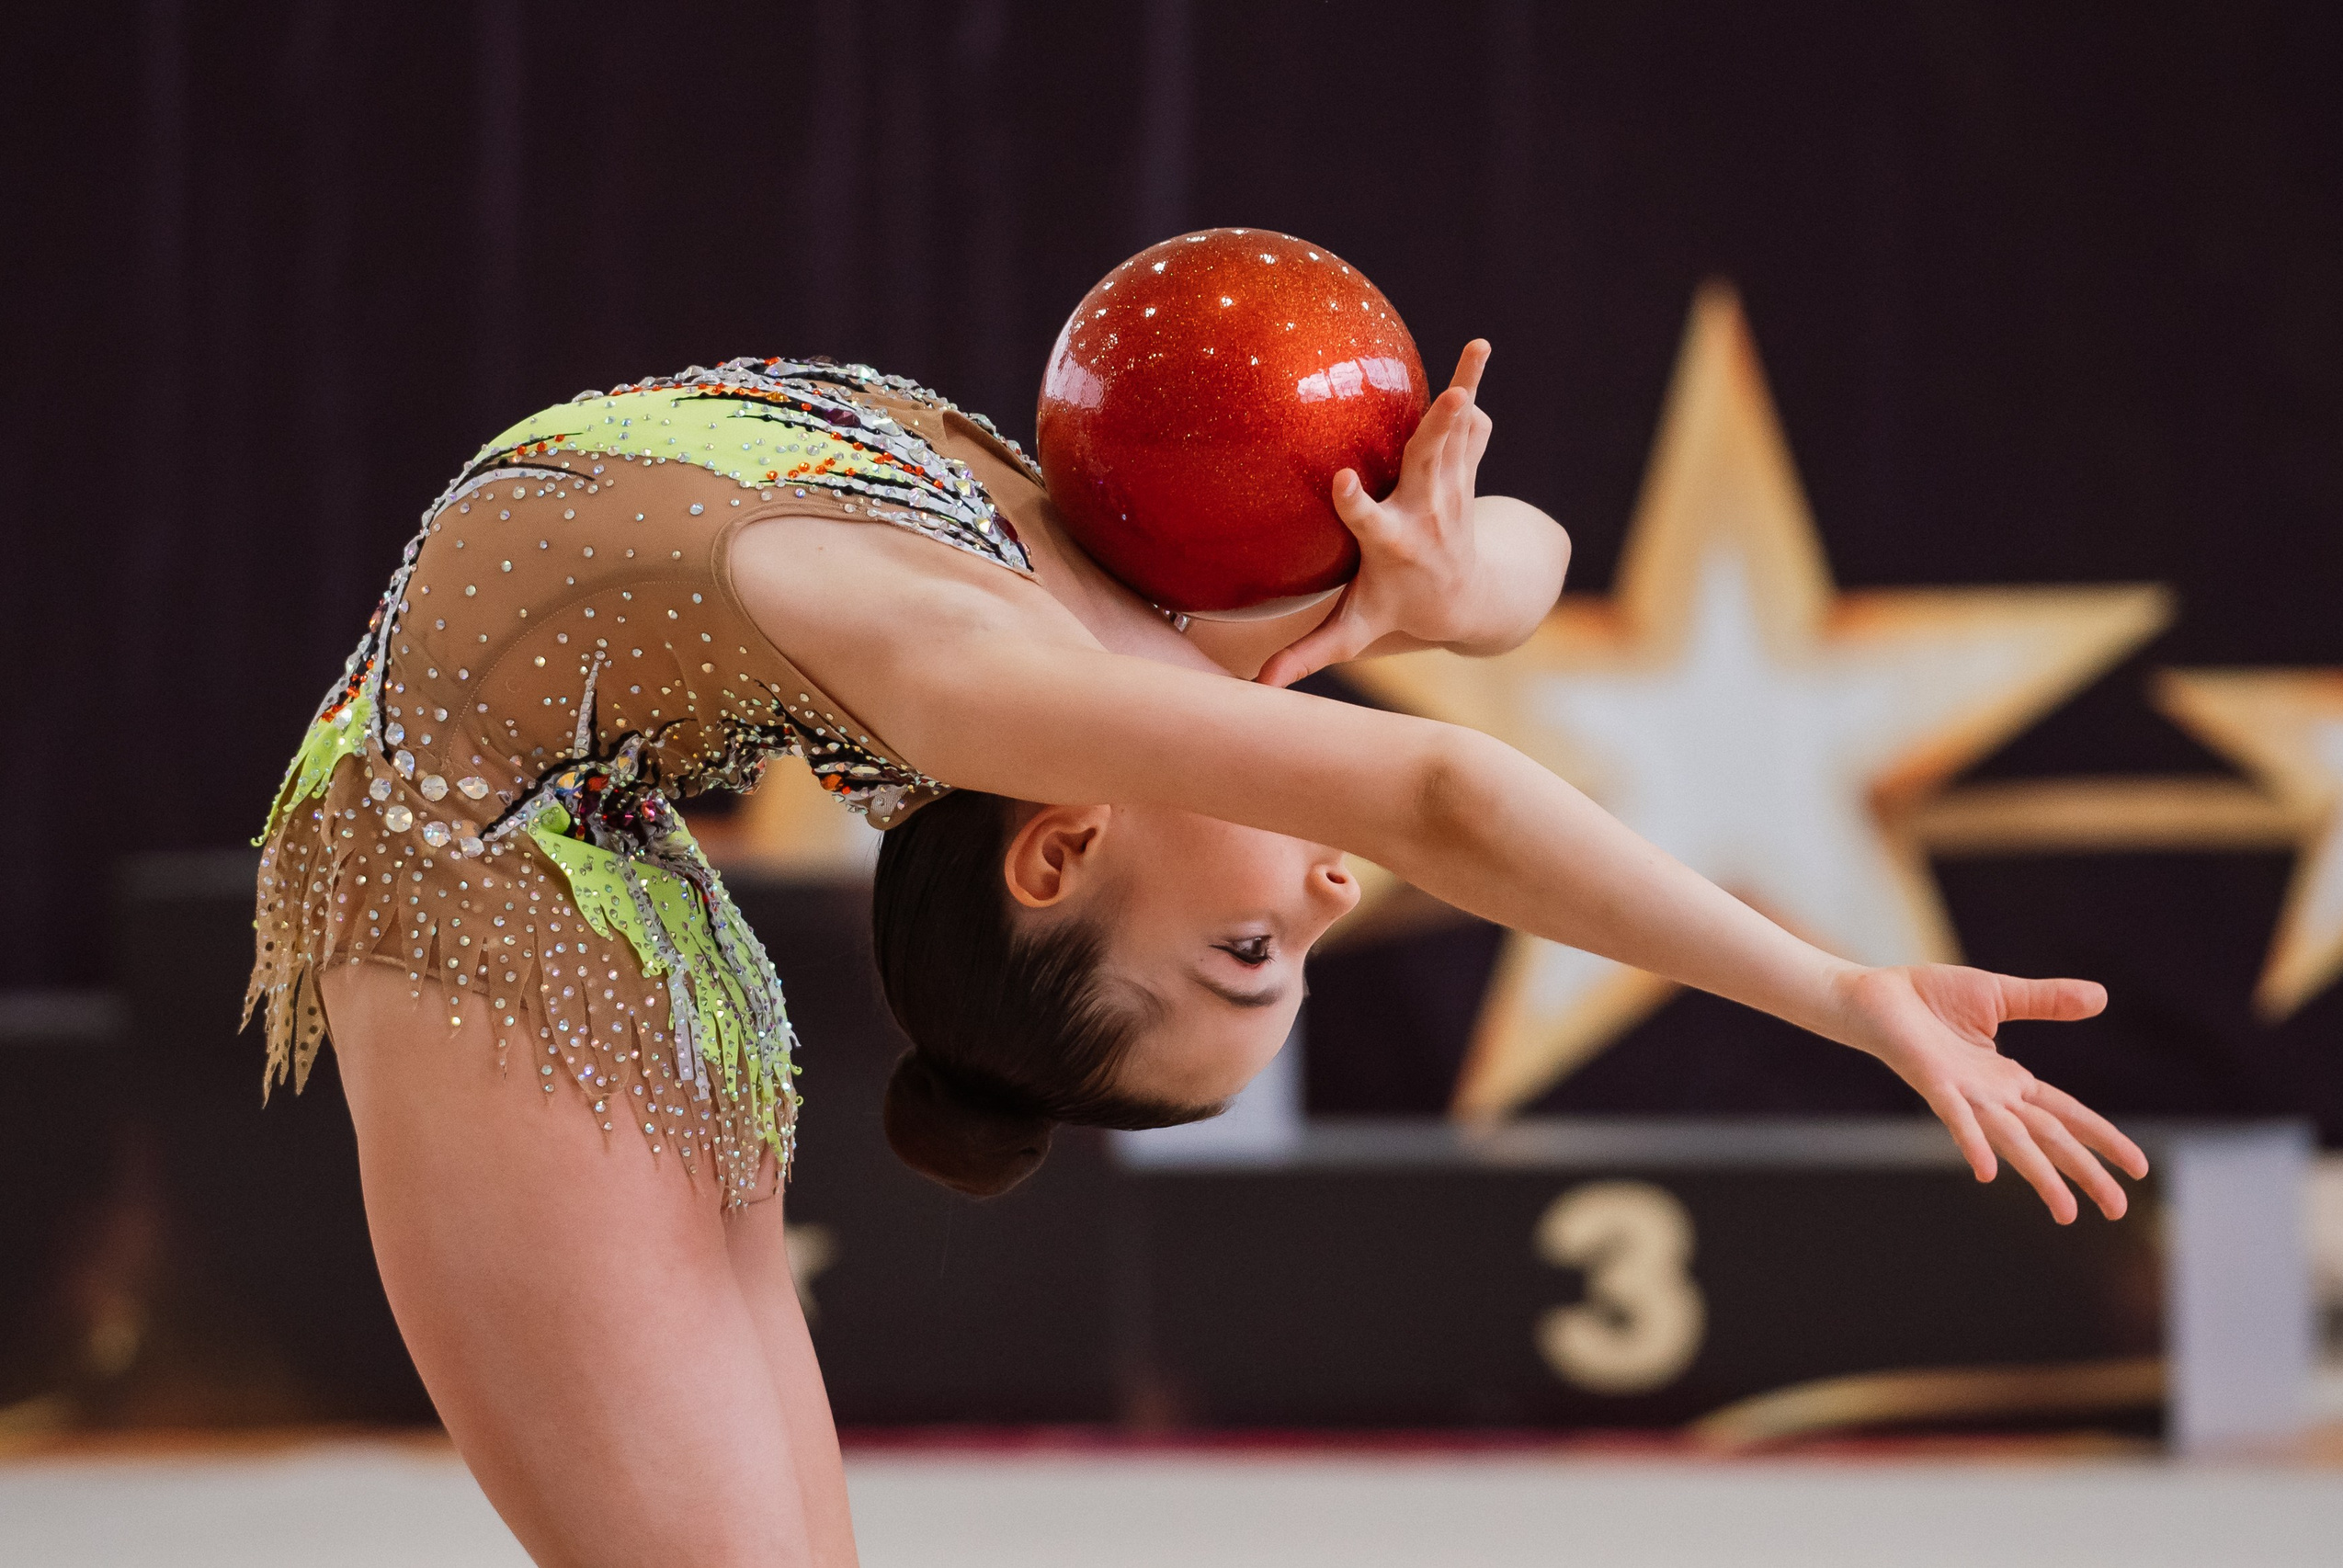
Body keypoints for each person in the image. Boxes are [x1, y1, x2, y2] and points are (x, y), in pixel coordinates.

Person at [248, 341, 2145, 1566]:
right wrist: (1437, 581)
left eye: (1246, 948)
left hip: (467, 865)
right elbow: (1527, 567)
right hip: (546, 842)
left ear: (1060, 854)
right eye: (1287, 955)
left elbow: (1446, 803)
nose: (1326, 901)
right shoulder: (1097, 645)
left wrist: (1840, 990)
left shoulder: (998, 679)